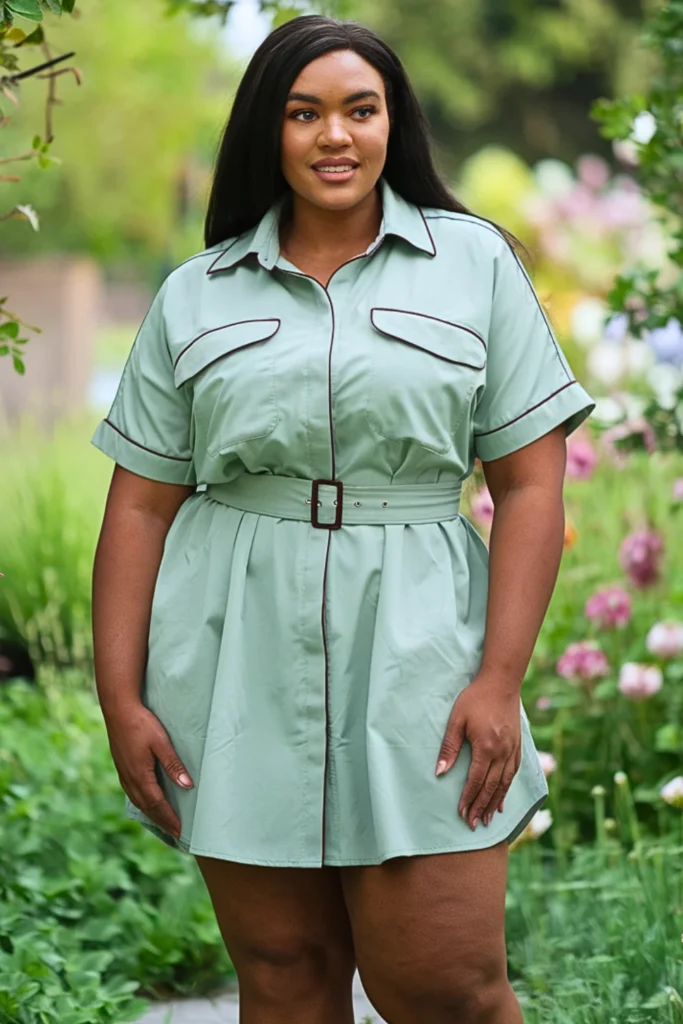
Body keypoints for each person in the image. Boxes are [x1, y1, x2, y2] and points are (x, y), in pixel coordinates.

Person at [90, 13, 595, 1024]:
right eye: (303, 112)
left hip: (422, 653)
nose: (334, 136)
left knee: (443, 986)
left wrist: (497, 681)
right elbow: (141, 504)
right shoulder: (196, 294)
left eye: (359, 110)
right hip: (235, 659)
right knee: (282, 974)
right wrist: (121, 697)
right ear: (265, 133)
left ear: (391, 123)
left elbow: (531, 487)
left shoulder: (473, 265)